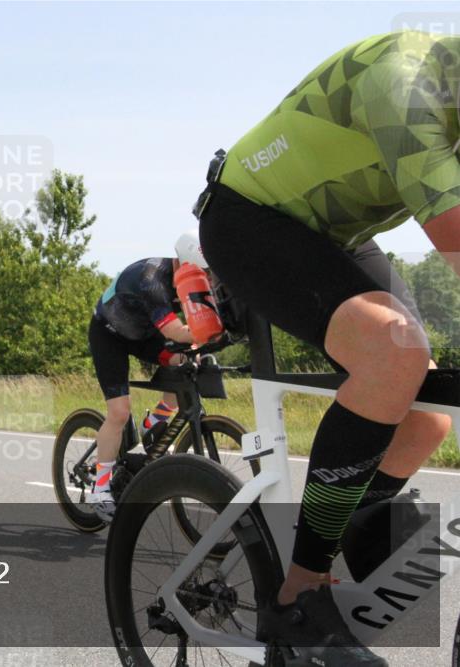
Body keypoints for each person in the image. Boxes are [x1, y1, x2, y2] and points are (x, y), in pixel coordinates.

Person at [196, 31, 460, 666]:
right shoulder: (409, 87)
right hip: (246, 216)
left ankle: (353, 521)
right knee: (393, 355)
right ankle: (299, 595)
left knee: (426, 415)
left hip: (330, 234)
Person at [85, 230, 214, 520]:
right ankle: (100, 488)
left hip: (143, 334)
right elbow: (175, 331)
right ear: (181, 264)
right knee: (119, 413)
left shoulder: (192, 280)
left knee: (186, 363)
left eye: (206, 274)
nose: (203, 279)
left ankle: (153, 422)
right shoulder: (151, 279)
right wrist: (208, 331)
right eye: (199, 272)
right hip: (109, 335)